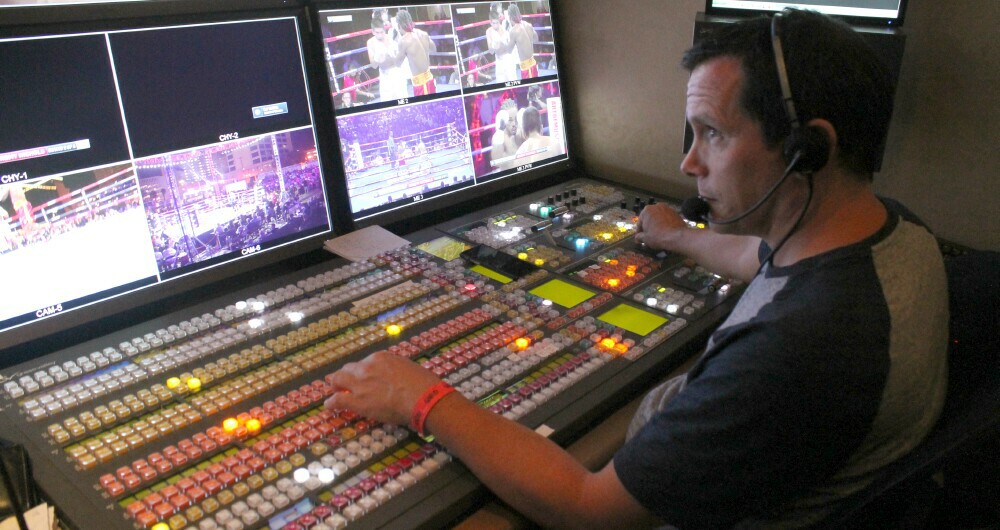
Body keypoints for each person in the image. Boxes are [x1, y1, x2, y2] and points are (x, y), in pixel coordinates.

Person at [324, 9, 948, 528]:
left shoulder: (798, 351)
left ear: (807, 149)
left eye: (712, 134)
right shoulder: (890, 234)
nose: (689, 164)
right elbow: (762, 258)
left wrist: (424, 399)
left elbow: (588, 509)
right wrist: (679, 238)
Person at [367, 12, 407, 102]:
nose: (380, 35)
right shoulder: (371, 42)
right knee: (388, 102)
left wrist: (392, 54)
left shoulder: (390, 37)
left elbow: (401, 57)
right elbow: (374, 66)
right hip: (384, 74)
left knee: (403, 101)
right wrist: (377, 59)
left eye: (382, 32)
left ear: (384, 30)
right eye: (377, 32)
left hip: (397, 72)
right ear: (373, 32)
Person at [396, 9, 437, 96]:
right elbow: (434, 49)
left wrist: (394, 44)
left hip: (420, 84)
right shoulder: (423, 33)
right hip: (430, 78)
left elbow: (397, 63)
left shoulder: (403, 41)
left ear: (399, 25)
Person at [486, 2, 518, 83]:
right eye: (493, 23)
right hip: (498, 59)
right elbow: (491, 51)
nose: (496, 25)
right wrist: (494, 45)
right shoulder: (489, 31)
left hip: (508, 58)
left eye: (497, 22)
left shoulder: (505, 26)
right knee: (501, 82)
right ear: (490, 22)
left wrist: (502, 43)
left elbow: (511, 45)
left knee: (513, 82)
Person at [507, 3, 538, 79]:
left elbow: (509, 50)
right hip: (533, 62)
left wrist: (504, 42)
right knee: (536, 84)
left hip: (526, 67)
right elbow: (536, 39)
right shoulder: (529, 25)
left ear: (510, 17)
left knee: (529, 86)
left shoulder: (513, 31)